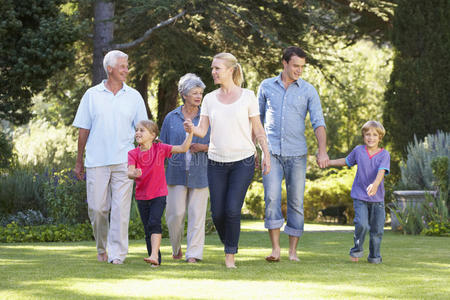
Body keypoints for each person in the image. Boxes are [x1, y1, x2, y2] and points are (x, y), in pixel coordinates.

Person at [185, 52, 271, 268]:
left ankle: (229, 255)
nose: (213, 72)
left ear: (231, 70)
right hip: (216, 161)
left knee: (232, 209)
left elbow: (259, 130)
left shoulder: (248, 96)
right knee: (217, 213)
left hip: (242, 161)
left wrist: (266, 154)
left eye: (217, 69)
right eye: (213, 68)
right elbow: (203, 130)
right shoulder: (209, 99)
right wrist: (191, 129)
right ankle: (230, 241)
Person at [73, 50, 148, 264]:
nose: (127, 69)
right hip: (96, 160)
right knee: (97, 209)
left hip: (125, 160)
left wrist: (143, 158)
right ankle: (101, 247)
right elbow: (83, 130)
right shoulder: (92, 95)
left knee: (121, 210)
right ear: (110, 69)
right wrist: (79, 161)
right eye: (122, 66)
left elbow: (143, 130)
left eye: (127, 65)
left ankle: (117, 255)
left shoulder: (134, 96)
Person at [257, 46, 329, 262]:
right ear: (284, 63)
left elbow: (318, 122)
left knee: (296, 201)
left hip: (297, 154)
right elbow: (256, 120)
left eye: (302, 67)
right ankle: (276, 249)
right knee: (271, 198)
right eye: (296, 66)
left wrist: (322, 149)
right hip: (271, 154)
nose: (299, 70)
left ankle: (293, 251)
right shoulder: (266, 86)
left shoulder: (308, 90)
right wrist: (257, 149)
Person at [128, 120, 194, 267]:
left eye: (142, 130)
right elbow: (129, 171)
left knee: (154, 222)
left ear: (153, 135)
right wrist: (134, 173)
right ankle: (155, 260)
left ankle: (153, 256)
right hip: (142, 196)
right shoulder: (133, 153)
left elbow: (183, 148)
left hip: (158, 194)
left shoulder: (160, 148)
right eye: (137, 130)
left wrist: (190, 133)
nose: (138, 132)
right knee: (147, 229)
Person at [160, 73, 210, 263]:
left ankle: (194, 255)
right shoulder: (171, 118)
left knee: (197, 215)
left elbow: (219, 144)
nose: (198, 96)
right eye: (194, 93)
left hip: (200, 172)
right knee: (175, 214)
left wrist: (203, 147)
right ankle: (176, 248)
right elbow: (162, 146)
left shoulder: (207, 117)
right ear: (184, 94)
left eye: (200, 93)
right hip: (174, 172)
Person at [327, 121, 390, 264]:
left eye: (375, 135)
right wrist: (329, 162)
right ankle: (356, 250)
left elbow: (381, 171)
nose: (371, 138)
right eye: (368, 134)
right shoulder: (358, 151)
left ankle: (374, 256)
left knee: (377, 230)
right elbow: (346, 161)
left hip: (377, 199)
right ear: (363, 136)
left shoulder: (384, 154)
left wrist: (375, 184)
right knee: (362, 224)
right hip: (360, 196)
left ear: (380, 137)